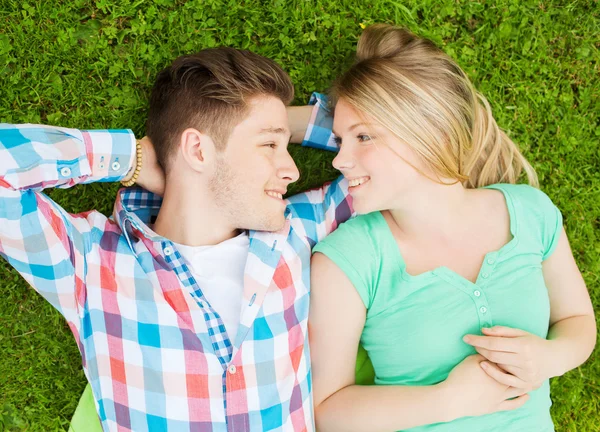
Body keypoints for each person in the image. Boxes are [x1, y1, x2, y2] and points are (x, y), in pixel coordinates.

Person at [2, 45, 545, 432]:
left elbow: (387, 145)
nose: (293, 169)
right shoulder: (90, 262)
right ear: (196, 150)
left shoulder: (298, 231)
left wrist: (271, 119)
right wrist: (134, 158)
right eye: (270, 145)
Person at [309, 24, 596, 432]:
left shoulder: (530, 213)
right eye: (340, 140)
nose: (339, 160)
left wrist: (551, 357)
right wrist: (446, 401)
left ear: (427, 132)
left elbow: (579, 320)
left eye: (363, 137)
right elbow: (328, 412)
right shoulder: (349, 260)